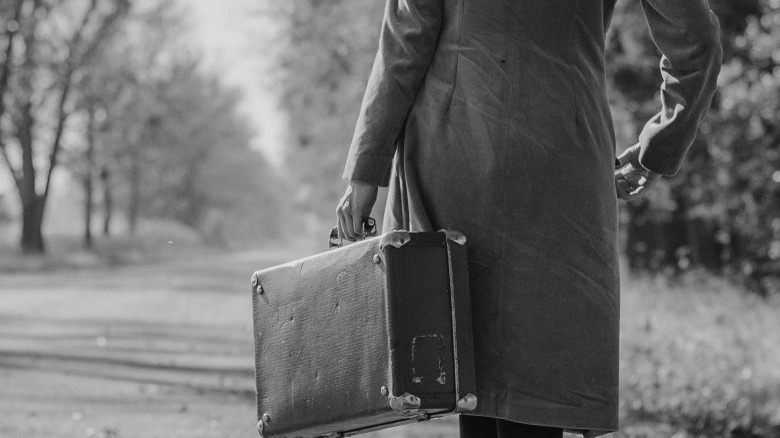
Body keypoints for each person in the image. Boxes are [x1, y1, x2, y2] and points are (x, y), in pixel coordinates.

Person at [336, 1, 722, 437]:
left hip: (458, 149)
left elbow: (407, 36)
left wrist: (366, 169)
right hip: (562, 158)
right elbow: (698, 42)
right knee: (542, 380)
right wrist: (659, 147)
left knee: (468, 367)